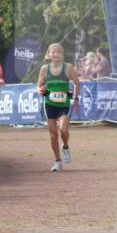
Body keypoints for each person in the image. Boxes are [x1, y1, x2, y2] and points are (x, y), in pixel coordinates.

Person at [37, 43, 81, 172]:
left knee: (63, 130)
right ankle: (57, 161)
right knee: (52, 135)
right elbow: (39, 85)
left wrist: (76, 98)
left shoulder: (68, 68)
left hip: (64, 104)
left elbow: (77, 83)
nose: (55, 54)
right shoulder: (45, 69)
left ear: (62, 55)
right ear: (49, 55)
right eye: (53, 52)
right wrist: (41, 90)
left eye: (58, 52)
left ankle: (66, 147)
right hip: (49, 104)